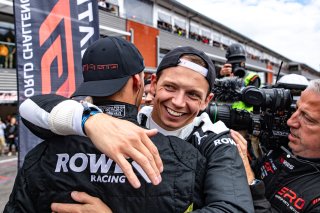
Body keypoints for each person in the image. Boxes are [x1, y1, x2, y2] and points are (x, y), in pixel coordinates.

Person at [19, 46, 255, 212]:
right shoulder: (127, 119)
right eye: (170, 87)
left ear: (207, 100)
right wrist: (91, 121)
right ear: (152, 84)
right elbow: (30, 109)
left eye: (193, 95)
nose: (178, 102)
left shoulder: (215, 138)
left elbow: (233, 208)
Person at [235, 79, 320, 212]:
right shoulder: (281, 146)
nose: (291, 122)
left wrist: (252, 184)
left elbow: (251, 177)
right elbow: (254, 169)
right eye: (295, 109)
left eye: (308, 119)